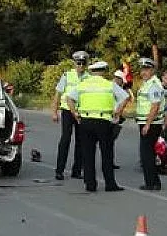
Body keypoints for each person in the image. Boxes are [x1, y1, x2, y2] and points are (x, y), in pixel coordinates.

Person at [66, 60, 129, 192]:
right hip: (103, 122)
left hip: (86, 121)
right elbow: (125, 97)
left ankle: (90, 184)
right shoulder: (109, 85)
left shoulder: (83, 85)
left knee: (88, 153)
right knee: (107, 153)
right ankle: (110, 184)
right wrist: (117, 112)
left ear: (91, 71)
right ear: (104, 71)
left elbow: (69, 98)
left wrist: (75, 113)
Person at [51, 50, 89, 180]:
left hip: (82, 112)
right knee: (65, 139)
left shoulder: (89, 77)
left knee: (81, 141)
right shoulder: (67, 75)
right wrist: (54, 111)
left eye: (83, 64)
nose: (80, 66)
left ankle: (77, 170)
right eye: (78, 63)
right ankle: (59, 170)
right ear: (74, 63)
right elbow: (58, 93)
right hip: (67, 110)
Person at [135, 57, 165, 191]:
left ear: (152, 70)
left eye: (146, 69)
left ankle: (151, 183)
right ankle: (154, 181)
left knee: (146, 154)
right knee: (148, 154)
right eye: (142, 69)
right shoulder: (147, 83)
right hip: (147, 122)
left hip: (151, 123)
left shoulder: (153, 85)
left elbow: (155, 106)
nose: (143, 72)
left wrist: (147, 124)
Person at [111, 69, 134, 168]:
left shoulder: (117, 88)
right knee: (108, 141)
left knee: (110, 141)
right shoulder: (113, 88)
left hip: (115, 116)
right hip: (111, 116)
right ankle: (108, 162)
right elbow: (126, 99)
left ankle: (110, 162)